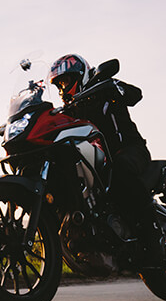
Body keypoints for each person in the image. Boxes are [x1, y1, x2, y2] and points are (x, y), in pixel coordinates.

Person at [48, 53, 152, 240]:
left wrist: (115, 87)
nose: (63, 89)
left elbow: (135, 94)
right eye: (59, 85)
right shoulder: (71, 111)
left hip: (130, 149)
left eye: (65, 82)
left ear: (80, 75)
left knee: (120, 169)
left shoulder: (103, 88)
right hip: (99, 160)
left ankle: (150, 233)